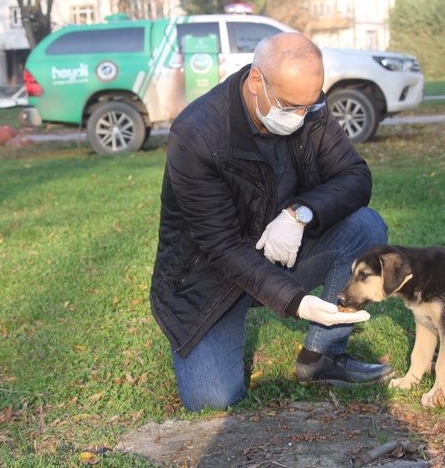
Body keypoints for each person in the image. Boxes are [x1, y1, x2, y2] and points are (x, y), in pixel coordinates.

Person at [150, 32, 392, 412]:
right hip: (212, 278)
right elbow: (221, 246)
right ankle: (228, 325)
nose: (300, 116)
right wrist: (297, 303)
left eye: (308, 105)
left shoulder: (310, 108)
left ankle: (323, 358)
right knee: (213, 401)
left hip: (285, 252)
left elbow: (356, 177)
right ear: (256, 81)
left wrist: (300, 215)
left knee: (365, 226)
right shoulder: (197, 133)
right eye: (290, 106)